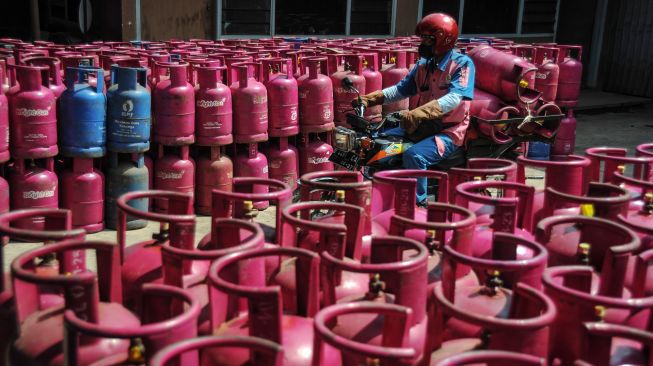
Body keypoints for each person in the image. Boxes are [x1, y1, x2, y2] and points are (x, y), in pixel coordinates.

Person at [354, 13, 475, 206]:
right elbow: (401, 89)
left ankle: (417, 206)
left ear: (444, 39)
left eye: (428, 39)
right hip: (421, 126)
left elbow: (455, 98)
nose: (424, 44)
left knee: (414, 155)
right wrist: (371, 99)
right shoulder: (423, 65)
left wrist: (419, 113)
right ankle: (385, 193)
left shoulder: (461, 64)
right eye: (423, 39)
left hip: (448, 132)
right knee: (377, 144)